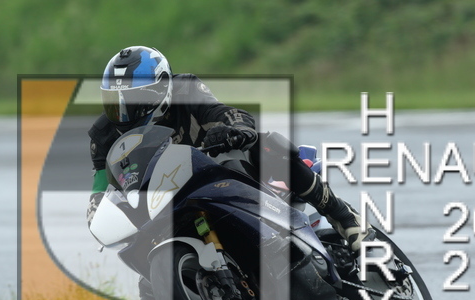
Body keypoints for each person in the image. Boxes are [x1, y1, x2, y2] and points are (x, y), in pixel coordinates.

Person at [87, 46, 372, 257]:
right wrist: (99, 214)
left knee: (264, 142)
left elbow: (225, 113)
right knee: (145, 281)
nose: (124, 112)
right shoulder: (103, 135)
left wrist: (235, 130)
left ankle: (343, 215)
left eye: (134, 100)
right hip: (162, 200)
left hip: (211, 170)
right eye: (115, 101)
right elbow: (100, 192)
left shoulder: (185, 90)